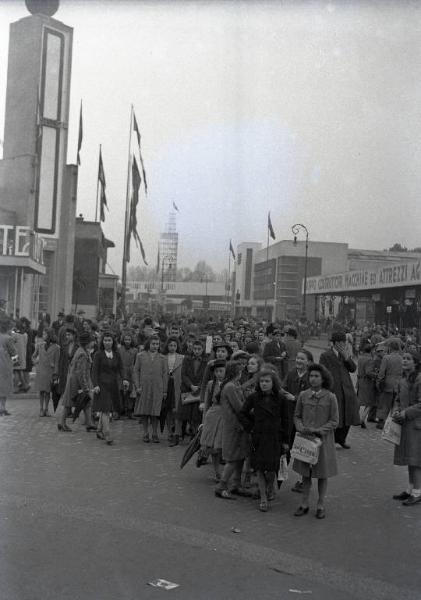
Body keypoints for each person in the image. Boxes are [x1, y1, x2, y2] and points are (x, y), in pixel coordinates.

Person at [292, 363, 339, 519]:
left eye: (316, 376)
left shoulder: (331, 397)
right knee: (305, 473)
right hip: (306, 439)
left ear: (323, 378)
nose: (313, 379)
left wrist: (320, 430)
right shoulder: (303, 395)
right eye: (311, 376)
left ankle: (320, 504)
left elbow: (334, 420)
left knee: (322, 473)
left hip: (322, 442)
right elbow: (297, 415)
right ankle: (304, 503)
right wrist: (300, 427)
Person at [240, 367, 289, 511]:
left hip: (275, 437)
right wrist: (251, 427)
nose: (264, 384)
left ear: (273, 382)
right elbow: (242, 413)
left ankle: (270, 487)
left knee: (272, 468)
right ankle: (263, 497)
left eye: (267, 381)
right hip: (259, 437)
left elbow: (286, 420)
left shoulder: (281, 399)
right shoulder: (254, 397)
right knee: (260, 468)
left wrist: (286, 441)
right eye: (261, 381)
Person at [215, 361, 251, 500]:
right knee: (232, 458)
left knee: (240, 455)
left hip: (238, 426)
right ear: (237, 372)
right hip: (233, 426)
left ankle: (236, 484)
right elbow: (240, 407)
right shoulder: (230, 386)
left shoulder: (234, 385)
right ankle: (221, 486)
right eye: (240, 371)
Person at [319, 330, 359, 449]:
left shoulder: (345, 354)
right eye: (341, 342)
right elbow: (322, 371)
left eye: (344, 342)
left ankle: (342, 439)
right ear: (335, 343)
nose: (343, 344)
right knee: (336, 414)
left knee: (348, 413)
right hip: (334, 388)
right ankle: (333, 439)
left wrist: (347, 358)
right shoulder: (326, 355)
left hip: (347, 388)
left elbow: (353, 369)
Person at [391, 352, 421, 506]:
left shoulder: (419, 379)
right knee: (410, 457)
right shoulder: (401, 379)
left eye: (408, 359)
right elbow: (397, 399)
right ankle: (410, 490)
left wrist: (405, 412)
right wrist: (396, 410)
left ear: (415, 363)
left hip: (416, 426)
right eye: (404, 358)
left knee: (415, 459)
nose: (404, 360)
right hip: (405, 424)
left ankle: (417, 492)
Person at [282, 349, 314, 493]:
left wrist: (295, 397)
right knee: (286, 445)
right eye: (298, 358)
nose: (299, 361)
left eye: (302, 359)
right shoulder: (291, 373)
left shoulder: (311, 377)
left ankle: (303, 480)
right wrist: (284, 393)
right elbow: (283, 388)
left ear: (309, 362)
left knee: (302, 448)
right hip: (289, 415)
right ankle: (280, 475)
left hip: (304, 417)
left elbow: (311, 394)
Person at [92, 333, 128, 445]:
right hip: (102, 385)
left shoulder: (116, 354)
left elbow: (121, 367)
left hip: (113, 385)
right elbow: (94, 371)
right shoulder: (98, 354)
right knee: (106, 409)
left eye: (110, 340)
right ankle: (107, 434)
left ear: (113, 342)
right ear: (102, 342)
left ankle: (99, 430)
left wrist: (124, 379)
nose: (107, 342)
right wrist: (95, 385)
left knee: (106, 409)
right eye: (105, 340)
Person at [57, 332, 96, 433]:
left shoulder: (81, 350)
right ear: (87, 342)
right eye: (92, 341)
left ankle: (88, 423)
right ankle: (63, 423)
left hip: (74, 380)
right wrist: (85, 387)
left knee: (83, 402)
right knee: (74, 402)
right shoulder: (82, 354)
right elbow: (81, 372)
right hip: (77, 382)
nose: (94, 343)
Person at [133, 335, 167, 443]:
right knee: (144, 411)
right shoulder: (140, 356)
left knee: (155, 412)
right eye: (153, 344)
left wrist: (165, 390)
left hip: (157, 388)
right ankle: (145, 432)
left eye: (157, 344)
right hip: (144, 387)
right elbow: (136, 371)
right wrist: (137, 386)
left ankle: (155, 433)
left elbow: (165, 375)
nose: (155, 346)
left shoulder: (163, 358)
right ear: (149, 344)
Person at [198, 359, 226, 480]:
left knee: (223, 447)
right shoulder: (211, 384)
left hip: (226, 417)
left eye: (221, 371)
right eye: (216, 371)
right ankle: (217, 472)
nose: (219, 373)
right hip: (213, 416)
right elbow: (207, 403)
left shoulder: (232, 384)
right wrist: (204, 421)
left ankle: (226, 473)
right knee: (214, 447)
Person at [179, 339, 208, 439]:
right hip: (187, 389)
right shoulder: (187, 359)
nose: (196, 351)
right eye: (195, 349)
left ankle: (195, 434)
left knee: (196, 414)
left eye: (199, 349)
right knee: (184, 413)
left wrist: (199, 386)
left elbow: (206, 376)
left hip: (199, 390)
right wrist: (191, 385)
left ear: (203, 349)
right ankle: (180, 433)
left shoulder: (206, 361)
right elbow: (183, 374)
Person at [32, 328, 60, 417]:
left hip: (49, 372)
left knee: (48, 391)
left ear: (49, 335)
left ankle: (46, 409)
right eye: (43, 334)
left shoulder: (56, 347)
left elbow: (57, 362)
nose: (43, 336)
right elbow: (33, 356)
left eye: (45, 334)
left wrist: (55, 374)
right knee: (41, 391)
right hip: (41, 371)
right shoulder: (40, 345)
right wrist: (36, 363)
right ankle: (41, 409)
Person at [376, 339, 403, 429]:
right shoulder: (401, 358)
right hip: (398, 385)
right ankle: (393, 423)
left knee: (384, 403)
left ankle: (381, 422)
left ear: (390, 348)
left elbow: (381, 373)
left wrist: (379, 382)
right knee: (395, 404)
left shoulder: (386, 358)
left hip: (387, 384)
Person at [162, 336, 184, 446]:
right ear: (167, 346)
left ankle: (177, 432)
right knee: (168, 409)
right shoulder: (163, 357)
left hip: (177, 385)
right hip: (167, 384)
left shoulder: (181, 357)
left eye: (174, 345)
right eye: (170, 345)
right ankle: (169, 431)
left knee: (177, 409)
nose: (172, 347)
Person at [0, 318, 17, 415]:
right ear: (8, 328)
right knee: (4, 387)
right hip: (5, 365)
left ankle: (1, 408)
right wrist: (15, 362)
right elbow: (13, 353)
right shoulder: (8, 338)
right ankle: (2, 407)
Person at [118, 332, 138, 419]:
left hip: (130, 371)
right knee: (120, 391)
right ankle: (120, 410)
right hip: (121, 371)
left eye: (129, 339)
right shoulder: (119, 349)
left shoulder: (135, 350)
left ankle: (129, 411)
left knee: (129, 392)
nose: (127, 341)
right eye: (126, 339)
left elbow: (136, 362)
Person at [357, 344, 377, 428]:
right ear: (371, 351)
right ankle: (362, 419)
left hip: (359, 381)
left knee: (359, 400)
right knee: (369, 402)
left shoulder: (360, 358)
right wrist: (376, 374)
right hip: (367, 382)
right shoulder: (370, 360)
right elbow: (368, 372)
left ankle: (355, 417)